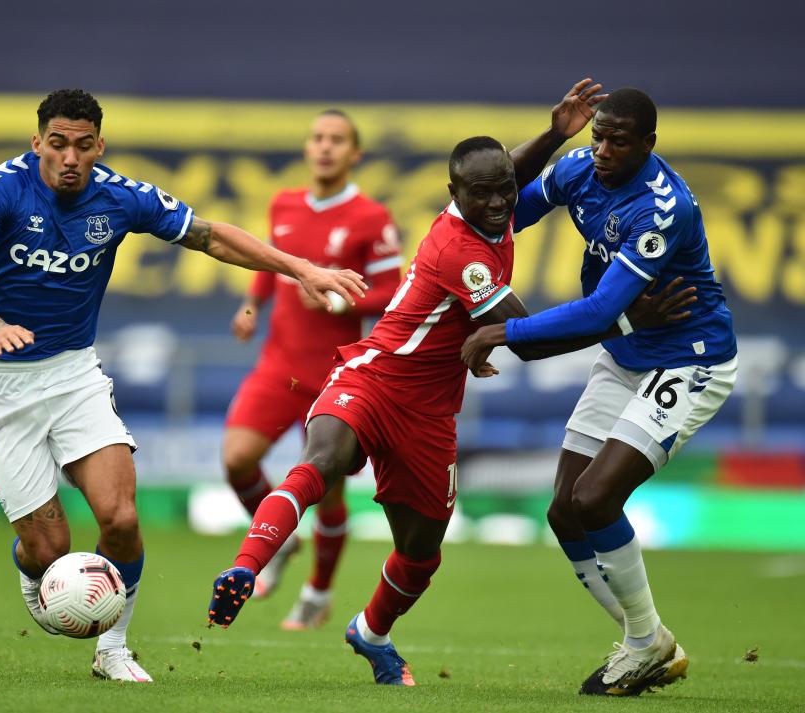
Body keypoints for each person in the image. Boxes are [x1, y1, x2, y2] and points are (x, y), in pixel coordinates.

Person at [206, 80, 693, 686]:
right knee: (321, 461)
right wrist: (624, 318)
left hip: (432, 411)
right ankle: (248, 568)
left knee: (420, 554)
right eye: (482, 194)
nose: (497, 204)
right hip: (376, 376)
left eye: (504, 193)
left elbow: (498, 173)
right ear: (454, 195)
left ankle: (371, 632)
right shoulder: (462, 250)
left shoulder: (493, 204)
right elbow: (529, 337)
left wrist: (553, 134)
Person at [0, 89, 367, 683]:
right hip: (0, 384)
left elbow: (212, 235)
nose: (70, 157)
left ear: (99, 147)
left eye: (83, 146)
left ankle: (112, 649)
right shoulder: (2, 188)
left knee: (120, 516)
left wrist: (301, 268)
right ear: (37, 142)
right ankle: (35, 566)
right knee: (50, 547)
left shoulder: (120, 197)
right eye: (57, 144)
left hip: (72, 375)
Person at [460, 88, 737, 696]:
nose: (605, 150)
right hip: (626, 355)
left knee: (594, 498)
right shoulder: (581, 168)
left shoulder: (661, 209)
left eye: (619, 141)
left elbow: (600, 311)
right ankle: (649, 640)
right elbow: (501, 213)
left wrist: (502, 330)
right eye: (599, 136)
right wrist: (553, 137)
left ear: (648, 144)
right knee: (564, 510)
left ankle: (643, 645)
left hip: (688, 361)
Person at [224, 109, 402, 629]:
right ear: (307, 148)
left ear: (355, 154)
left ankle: (318, 594)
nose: (324, 147)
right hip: (279, 363)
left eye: (337, 140)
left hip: (335, 372)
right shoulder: (283, 203)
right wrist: (251, 306)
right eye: (318, 138)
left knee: (327, 488)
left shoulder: (371, 218)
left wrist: (344, 303)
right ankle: (279, 541)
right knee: (237, 460)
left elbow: (393, 291)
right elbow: (267, 262)